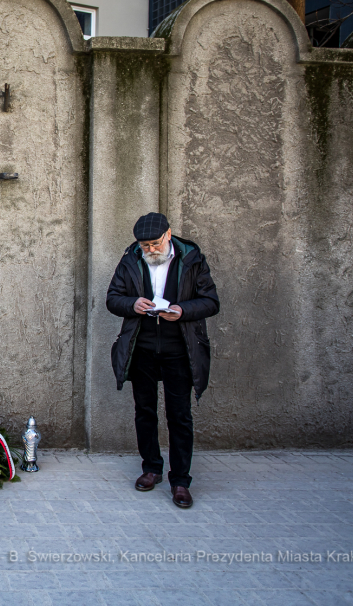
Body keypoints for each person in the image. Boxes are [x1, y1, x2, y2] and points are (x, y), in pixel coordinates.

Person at [106, 213, 219, 509]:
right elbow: (112, 298)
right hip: (141, 347)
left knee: (179, 415)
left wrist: (182, 310)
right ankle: (151, 468)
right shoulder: (131, 259)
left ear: (168, 235)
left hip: (179, 349)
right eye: (145, 246)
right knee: (144, 411)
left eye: (155, 244)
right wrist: (132, 304)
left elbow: (211, 301)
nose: (151, 250)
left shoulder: (192, 258)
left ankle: (180, 480)